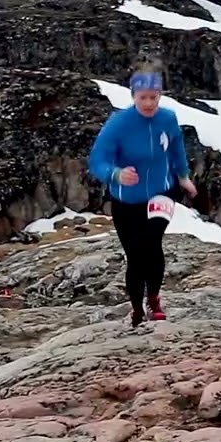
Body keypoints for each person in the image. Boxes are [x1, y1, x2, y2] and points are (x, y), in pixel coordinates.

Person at [88, 66, 198, 326]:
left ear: (160, 96)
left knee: (151, 243)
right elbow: (97, 160)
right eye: (143, 97)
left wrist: (183, 178)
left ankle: (155, 300)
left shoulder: (168, 119)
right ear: (133, 96)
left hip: (162, 191)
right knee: (135, 255)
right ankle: (137, 308)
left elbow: (176, 150)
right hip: (126, 200)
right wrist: (116, 174)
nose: (149, 103)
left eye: (154, 97)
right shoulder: (119, 124)